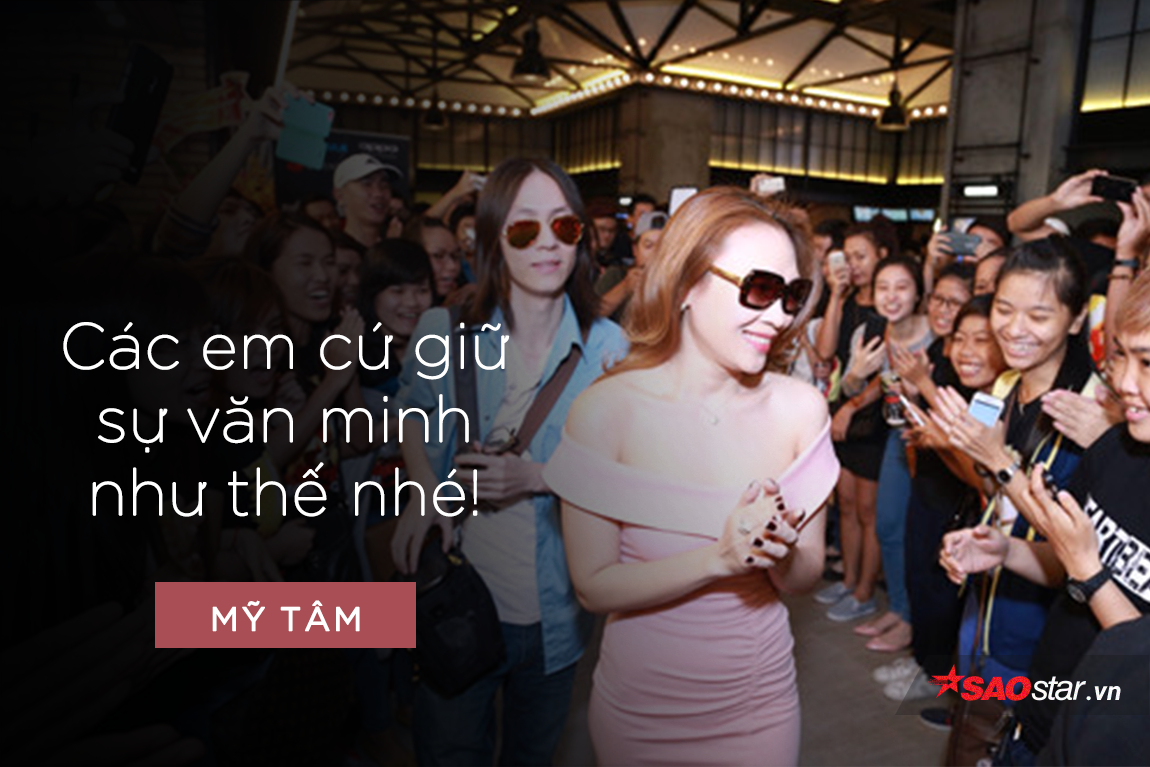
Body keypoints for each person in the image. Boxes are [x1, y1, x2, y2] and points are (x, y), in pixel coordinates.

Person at [545, 187, 836, 767]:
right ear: (686, 284)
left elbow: (804, 576)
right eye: (759, 288)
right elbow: (594, 586)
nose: (780, 316)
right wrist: (718, 559)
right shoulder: (606, 412)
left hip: (760, 706)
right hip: (642, 712)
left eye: (792, 295)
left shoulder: (801, 410)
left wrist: (777, 550)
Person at [390, 157, 627, 767]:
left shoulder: (608, 347)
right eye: (525, 228)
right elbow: (412, 411)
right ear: (496, 238)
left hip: (557, 613)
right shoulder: (443, 328)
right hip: (459, 598)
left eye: (563, 226)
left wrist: (540, 478)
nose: (547, 243)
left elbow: (625, 473)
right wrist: (424, 489)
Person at [931, 237, 1105, 717]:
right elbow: (991, 490)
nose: (1014, 329)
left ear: (1075, 319)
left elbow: (1072, 545)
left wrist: (998, 461)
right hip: (987, 596)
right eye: (1004, 310)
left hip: (1043, 625)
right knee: (971, 726)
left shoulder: (1093, 411)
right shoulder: (1005, 384)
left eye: (1038, 315)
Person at [840, 256, 934, 639]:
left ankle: (915, 622)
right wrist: (856, 374)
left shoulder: (935, 330)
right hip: (899, 437)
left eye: (901, 287)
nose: (891, 296)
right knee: (888, 525)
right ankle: (899, 608)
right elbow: (850, 389)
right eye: (883, 288)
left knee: (923, 533)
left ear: (918, 293)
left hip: (938, 441)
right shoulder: (870, 332)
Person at [815, 224, 886, 620]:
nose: (855, 264)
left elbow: (889, 372)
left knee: (867, 510)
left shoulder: (889, 306)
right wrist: (836, 295)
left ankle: (864, 592)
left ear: (881, 256)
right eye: (849, 257)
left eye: (862, 256)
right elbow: (826, 351)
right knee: (844, 504)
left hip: (871, 416)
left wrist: (853, 405)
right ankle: (848, 581)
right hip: (843, 411)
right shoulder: (847, 301)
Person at [332, 153, 399, 249]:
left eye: (384, 185)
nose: (378, 193)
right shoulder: (331, 252)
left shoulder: (396, 251)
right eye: (367, 184)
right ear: (339, 195)